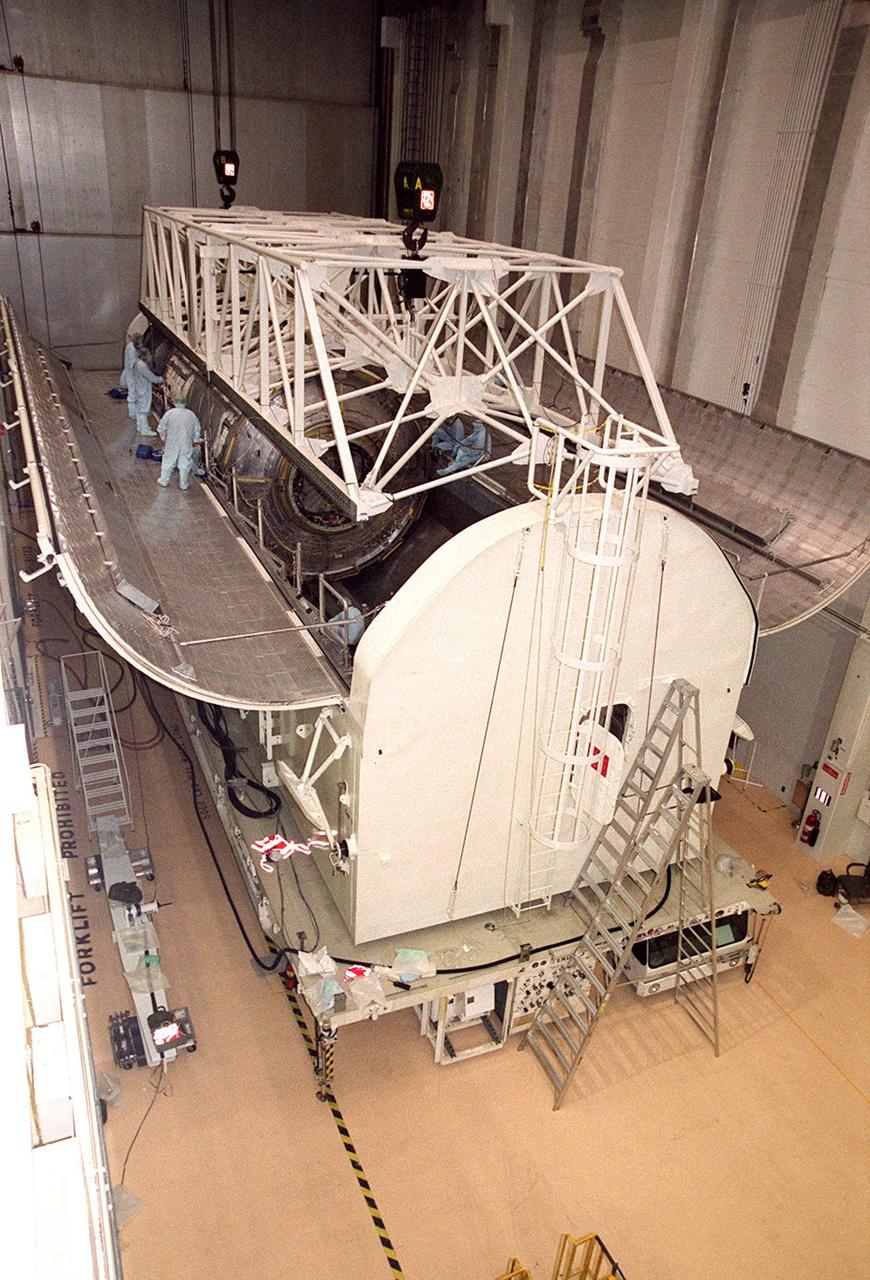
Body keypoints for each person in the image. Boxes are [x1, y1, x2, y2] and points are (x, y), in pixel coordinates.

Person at [156, 396, 203, 490]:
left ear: (175, 402)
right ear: (185, 403)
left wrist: (164, 437)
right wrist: (195, 440)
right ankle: (183, 483)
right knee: (185, 461)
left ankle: (164, 480)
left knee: (168, 460)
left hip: (172, 442)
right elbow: (197, 429)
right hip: (186, 442)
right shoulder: (191, 415)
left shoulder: (169, 413)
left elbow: (161, 427)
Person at [132, 349, 163, 436]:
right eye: (148, 355)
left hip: (139, 388)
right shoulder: (142, 366)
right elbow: (151, 377)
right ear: (144, 356)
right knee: (144, 410)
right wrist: (161, 379)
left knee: (139, 409)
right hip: (144, 390)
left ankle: (140, 426)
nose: (150, 357)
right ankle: (145, 430)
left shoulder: (137, 363)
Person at [122, 336, 139, 423]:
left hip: (129, 373)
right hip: (132, 376)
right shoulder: (132, 350)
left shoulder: (129, 346)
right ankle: (133, 414)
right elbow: (134, 364)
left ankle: (133, 413)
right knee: (133, 394)